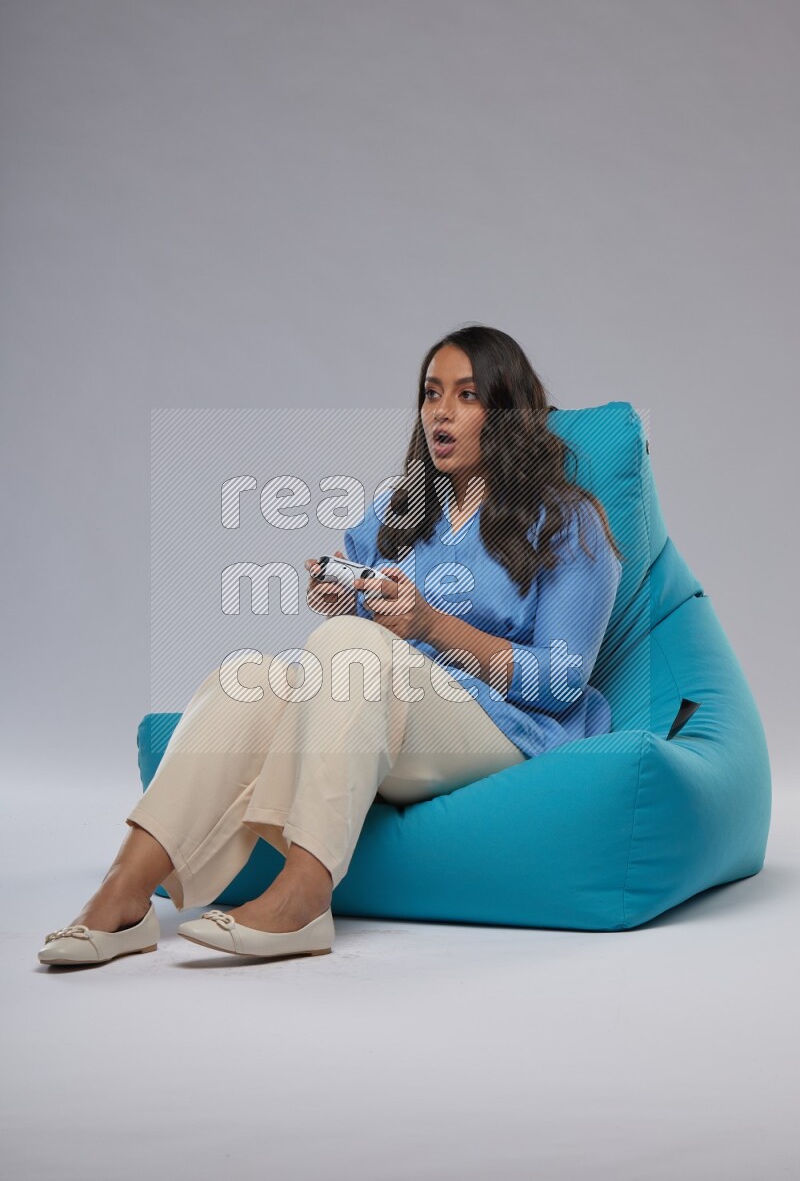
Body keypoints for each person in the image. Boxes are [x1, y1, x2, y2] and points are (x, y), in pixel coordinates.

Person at [38, 324, 624, 967]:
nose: (441, 413)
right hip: (390, 712)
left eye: (467, 395)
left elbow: (562, 679)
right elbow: (353, 651)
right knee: (253, 677)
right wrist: (349, 599)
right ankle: (122, 898)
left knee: (350, 646)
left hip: (507, 728)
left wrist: (430, 626)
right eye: (431, 394)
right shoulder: (401, 511)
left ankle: (304, 898)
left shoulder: (569, 522)